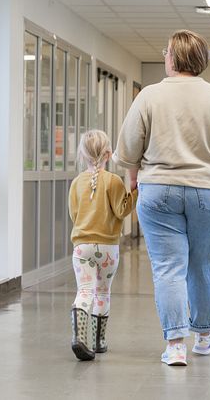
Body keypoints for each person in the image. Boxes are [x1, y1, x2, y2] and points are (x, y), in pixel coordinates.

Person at [112, 29, 210, 366]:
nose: (164, 56)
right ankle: (204, 335)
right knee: (202, 267)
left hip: (158, 190)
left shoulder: (148, 96)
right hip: (207, 190)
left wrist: (133, 181)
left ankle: (175, 344)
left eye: (166, 51)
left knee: (168, 269)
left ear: (174, 58)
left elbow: (129, 151)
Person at [68, 130, 138, 361]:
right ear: (109, 154)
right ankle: (99, 341)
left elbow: (74, 214)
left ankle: (80, 337)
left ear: (82, 154)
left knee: (85, 291)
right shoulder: (114, 181)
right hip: (108, 248)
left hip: (82, 247)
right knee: (102, 292)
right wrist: (135, 193)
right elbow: (122, 210)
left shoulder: (77, 183)